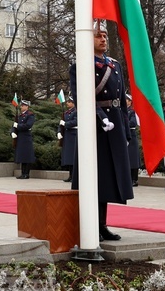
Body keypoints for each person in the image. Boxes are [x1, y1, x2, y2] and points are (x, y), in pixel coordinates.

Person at [69, 21, 134, 242]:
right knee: (94, 177)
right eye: (98, 35)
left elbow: (122, 101)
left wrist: (125, 130)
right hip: (95, 126)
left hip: (114, 125)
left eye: (105, 35)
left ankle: (102, 224)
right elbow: (81, 96)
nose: (103, 39)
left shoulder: (114, 65)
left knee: (107, 178)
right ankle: (90, 224)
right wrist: (101, 117)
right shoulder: (80, 65)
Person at [12, 100, 36, 179]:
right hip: (20, 137)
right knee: (22, 156)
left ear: (27, 106)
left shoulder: (30, 115)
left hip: (26, 137)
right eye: (21, 105)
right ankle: (23, 173)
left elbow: (28, 125)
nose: (21, 107)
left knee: (27, 156)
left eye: (23, 105)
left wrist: (18, 126)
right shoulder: (20, 115)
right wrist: (13, 132)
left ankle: (26, 174)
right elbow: (14, 125)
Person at [59, 98, 77, 182]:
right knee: (69, 158)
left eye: (69, 102)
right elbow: (61, 123)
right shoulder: (66, 113)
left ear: (73, 103)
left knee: (73, 157)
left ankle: (74, 176)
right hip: (67, 136)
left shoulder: (76, 111)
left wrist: (66, 124)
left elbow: (76, 121)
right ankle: (70, 175)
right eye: (67, 102)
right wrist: (59, 132)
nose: (67, 103)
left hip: (73, 135)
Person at [127, 94, 142, 187]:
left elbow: (133, 122)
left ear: (130, 101)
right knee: (127, 159)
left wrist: (123, 124)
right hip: (124, 135)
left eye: (127, 100)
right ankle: (128, 178)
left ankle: (134, 179)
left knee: (133, 159)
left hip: (131, 136)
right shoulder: (122, 110)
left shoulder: (132, 111)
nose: (125, 101)